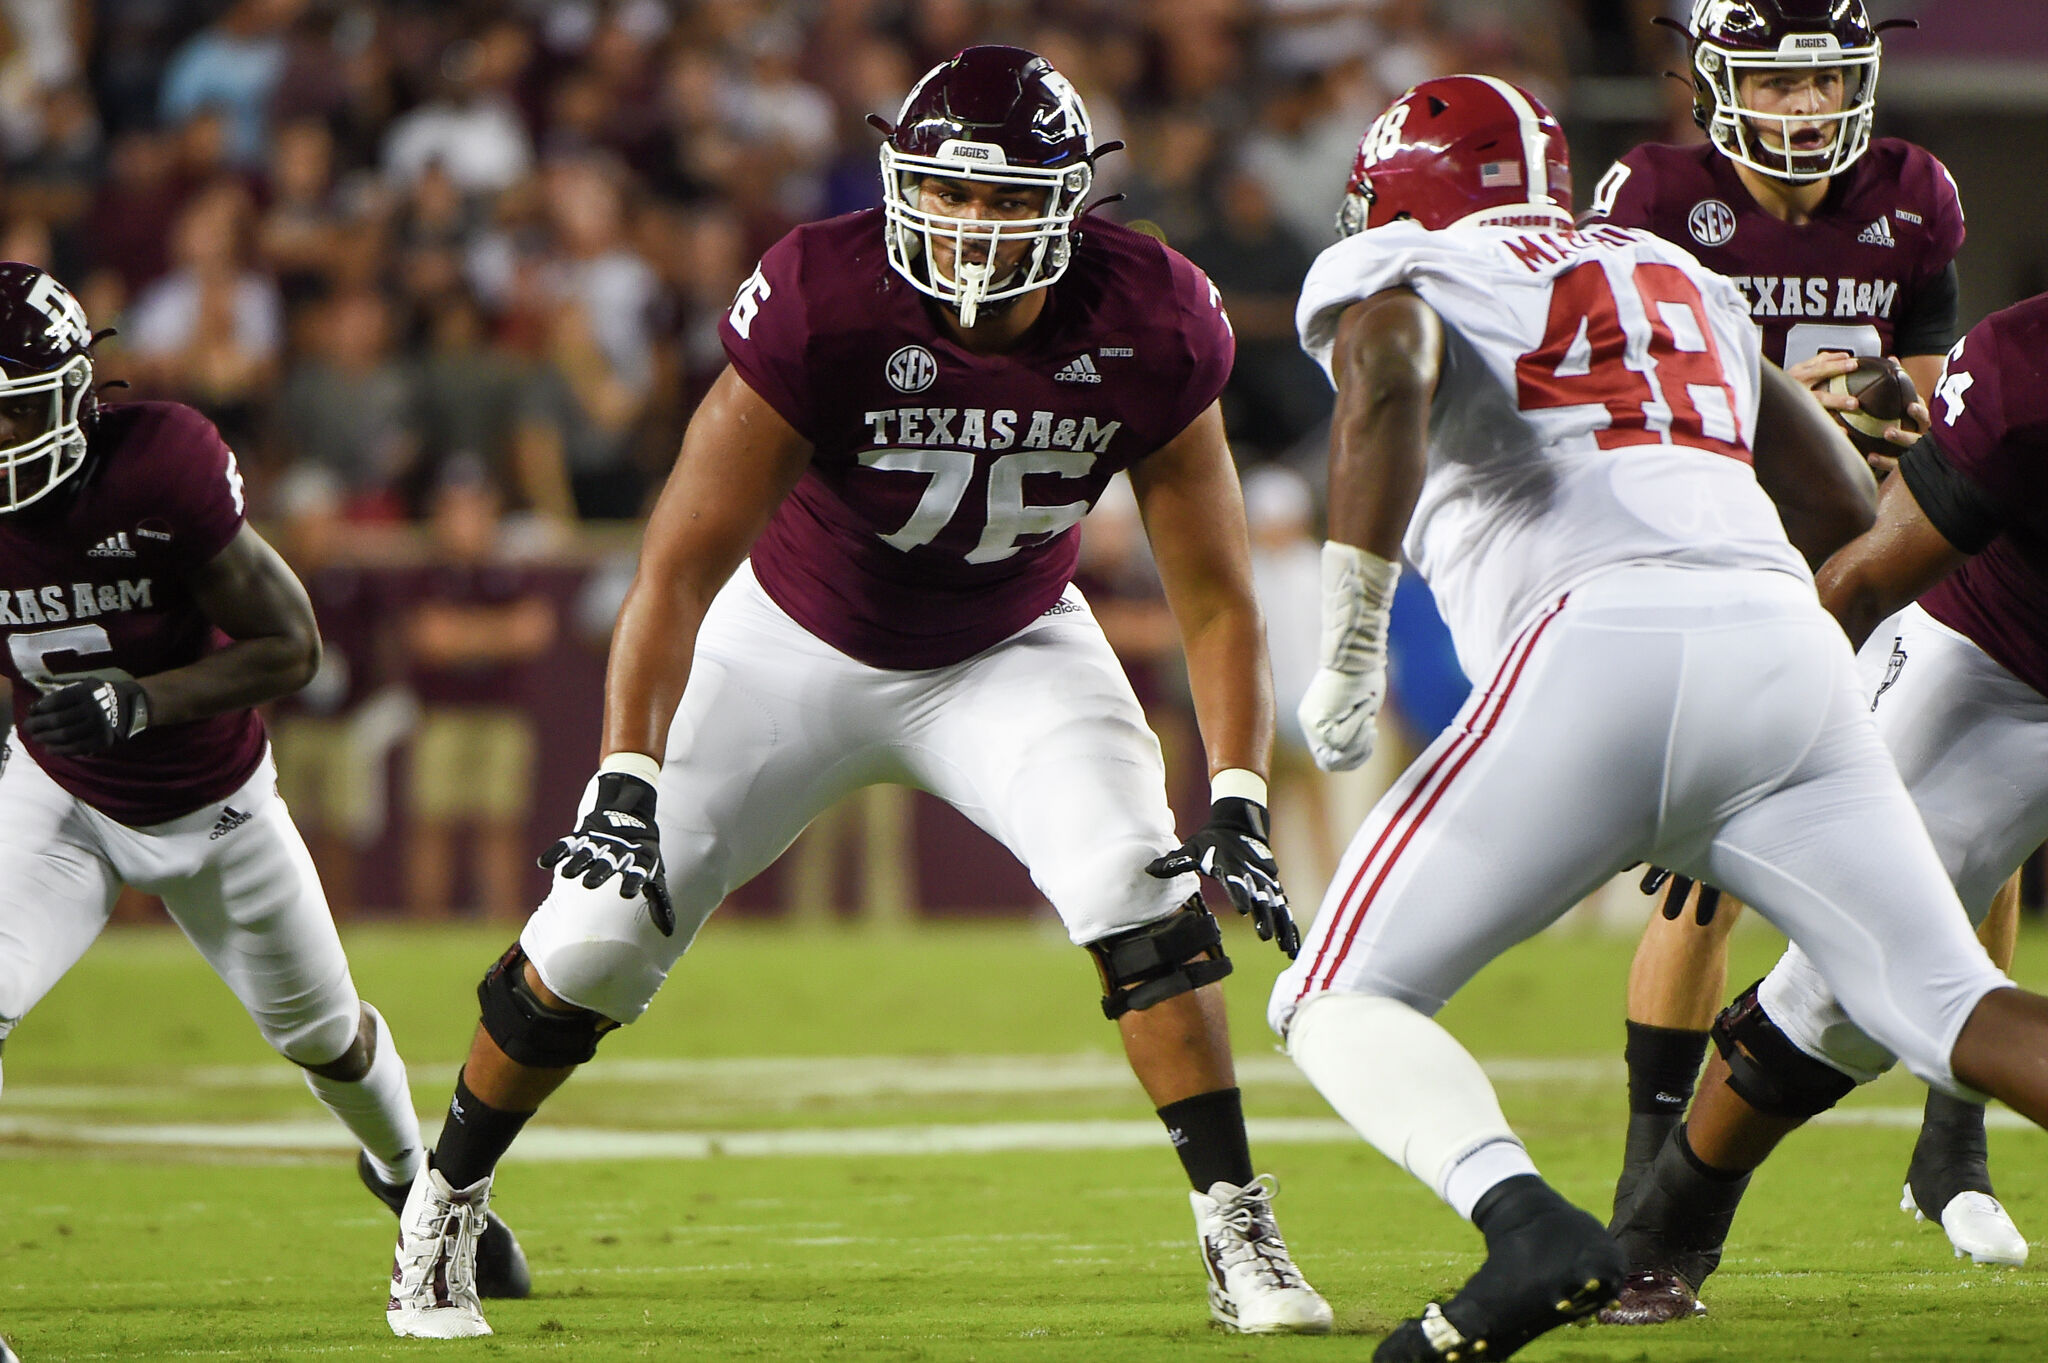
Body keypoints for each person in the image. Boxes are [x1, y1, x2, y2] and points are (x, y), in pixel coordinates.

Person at [384, 46, 1331, 1341]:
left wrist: (1235, 785)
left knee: (1143, 893)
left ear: (1072, 202)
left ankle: (1238, 1223)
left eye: (1005, 201)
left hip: (1010, 642)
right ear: (899, 185)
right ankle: (445, 1197)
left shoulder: (1151, 316)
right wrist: (624, 771)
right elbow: (673, 566)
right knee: (597, 935)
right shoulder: (829, 295)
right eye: (947, 193)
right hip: (792, 642)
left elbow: (1214, 590)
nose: (972, 227)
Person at [1269, 73, 2048, 1363]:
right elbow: (1837, 508)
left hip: (1589, 640)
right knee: (1949, 1002)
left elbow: (1388, 365)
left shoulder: (1410, 265)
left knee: (1337, 996)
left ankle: (1523, 1226)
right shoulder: (1665, 270)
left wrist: (1348, 631)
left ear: (1396, 199)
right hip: (1781, 644)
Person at [1578, 0, 2021, 1272]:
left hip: (1875, 544)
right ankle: (1644, 1174)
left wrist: (1898, 405)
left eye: (1823, 80)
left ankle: (1951, 1146)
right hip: (1719, 549)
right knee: (1708, 865)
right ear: (1712, 86)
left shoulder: (1911, 194)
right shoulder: (1650, 193)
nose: (1803, 108)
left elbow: (1947, 402)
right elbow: (1601, 384)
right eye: (1774, 86)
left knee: (1980, 827)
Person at [0, 263, 527, 1297]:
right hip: (58, 794)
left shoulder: (157, 465)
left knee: (325, 1037)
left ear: (71, 394)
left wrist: (141, 700)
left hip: (214, 801)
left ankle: (410, 1178)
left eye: (12, 411)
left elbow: (292, 647)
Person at [1606, 291, 2048, 1319]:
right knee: (1845, 978)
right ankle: (1663, 1228)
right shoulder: (2026, 372)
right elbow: (1856, 581)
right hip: (2002, 663)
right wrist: (1735, 751)